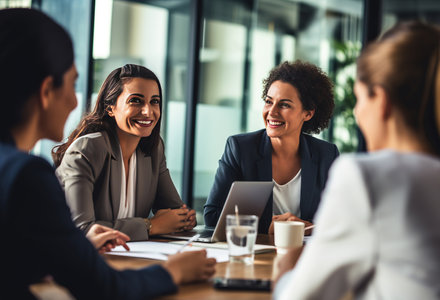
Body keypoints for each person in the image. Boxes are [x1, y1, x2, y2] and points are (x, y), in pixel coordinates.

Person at [0, 8, 215, 299]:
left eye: (155, 102)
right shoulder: (26, 175)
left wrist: (80, 247)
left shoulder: (152, 149)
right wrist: (173, 270)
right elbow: (104, 288)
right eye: (73, 84)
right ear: (47, 90)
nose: (76, 100)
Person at [273, 21, 440, 299]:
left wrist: (286, 269)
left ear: (380, 100)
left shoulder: (368, 177)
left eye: (358, 99)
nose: (357, 113)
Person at [53, 64, 196, 241]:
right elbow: (83, 230)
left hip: (129, 255)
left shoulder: (154, 149)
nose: (148, 111)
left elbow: (176, 212)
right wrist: (150, 226)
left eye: (155, 101)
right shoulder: (87, 149)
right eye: (136, 101)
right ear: (110, 108)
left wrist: (185, 219)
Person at [203, 60, 339, 233]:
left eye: (284, 105)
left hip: (304, 254)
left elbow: (341, 219)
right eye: (269, 101)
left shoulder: (327, 155)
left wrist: (308, 227)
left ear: (308, 113)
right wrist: (269, 226)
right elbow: (212, 215)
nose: (272, 112)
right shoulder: (241, 149)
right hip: (255, 253)